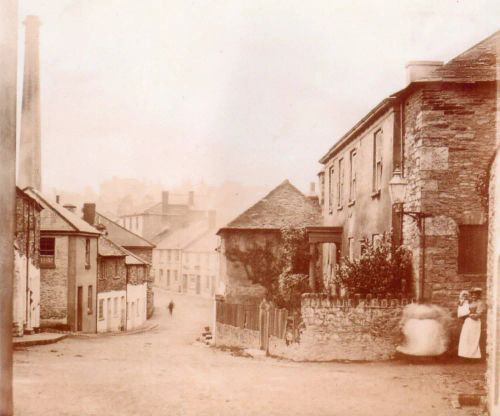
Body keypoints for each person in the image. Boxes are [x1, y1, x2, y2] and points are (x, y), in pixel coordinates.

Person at [458, 288, 485, 359]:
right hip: (467, 323)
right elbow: (462, 310)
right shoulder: (469, 302)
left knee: (473, 339)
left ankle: (474, 357)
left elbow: (478, 315)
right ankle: (466, 356)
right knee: (466, 338)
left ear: (479, 295)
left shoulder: (480, 303)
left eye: (476, 294)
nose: (474, 296)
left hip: (475, 323)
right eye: (472, 294)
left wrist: (468, 314)